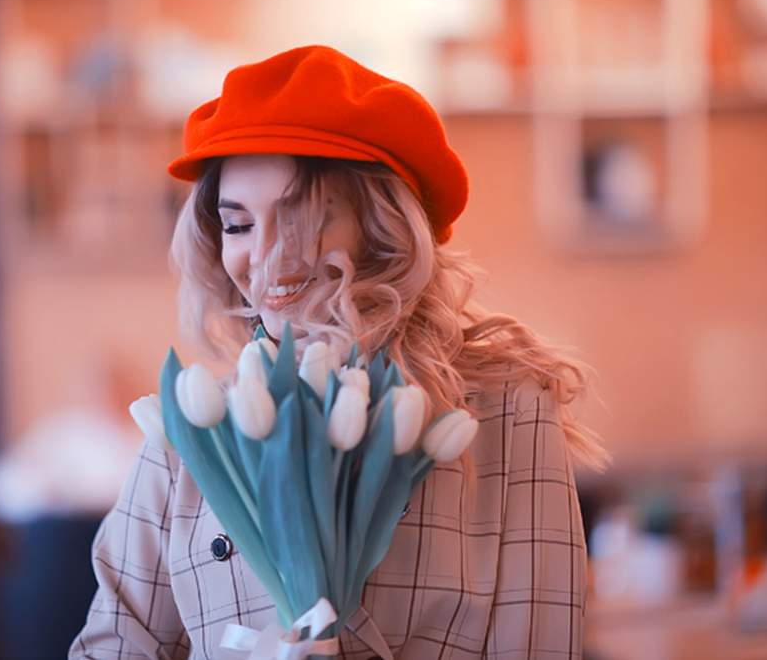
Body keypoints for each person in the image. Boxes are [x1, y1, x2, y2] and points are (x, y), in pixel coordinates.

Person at [69, 45, 609, 660]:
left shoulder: (506, 417)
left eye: (300, 217)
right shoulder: (189, 438)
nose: (267, 257)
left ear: (381, 228)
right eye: (239, 225)